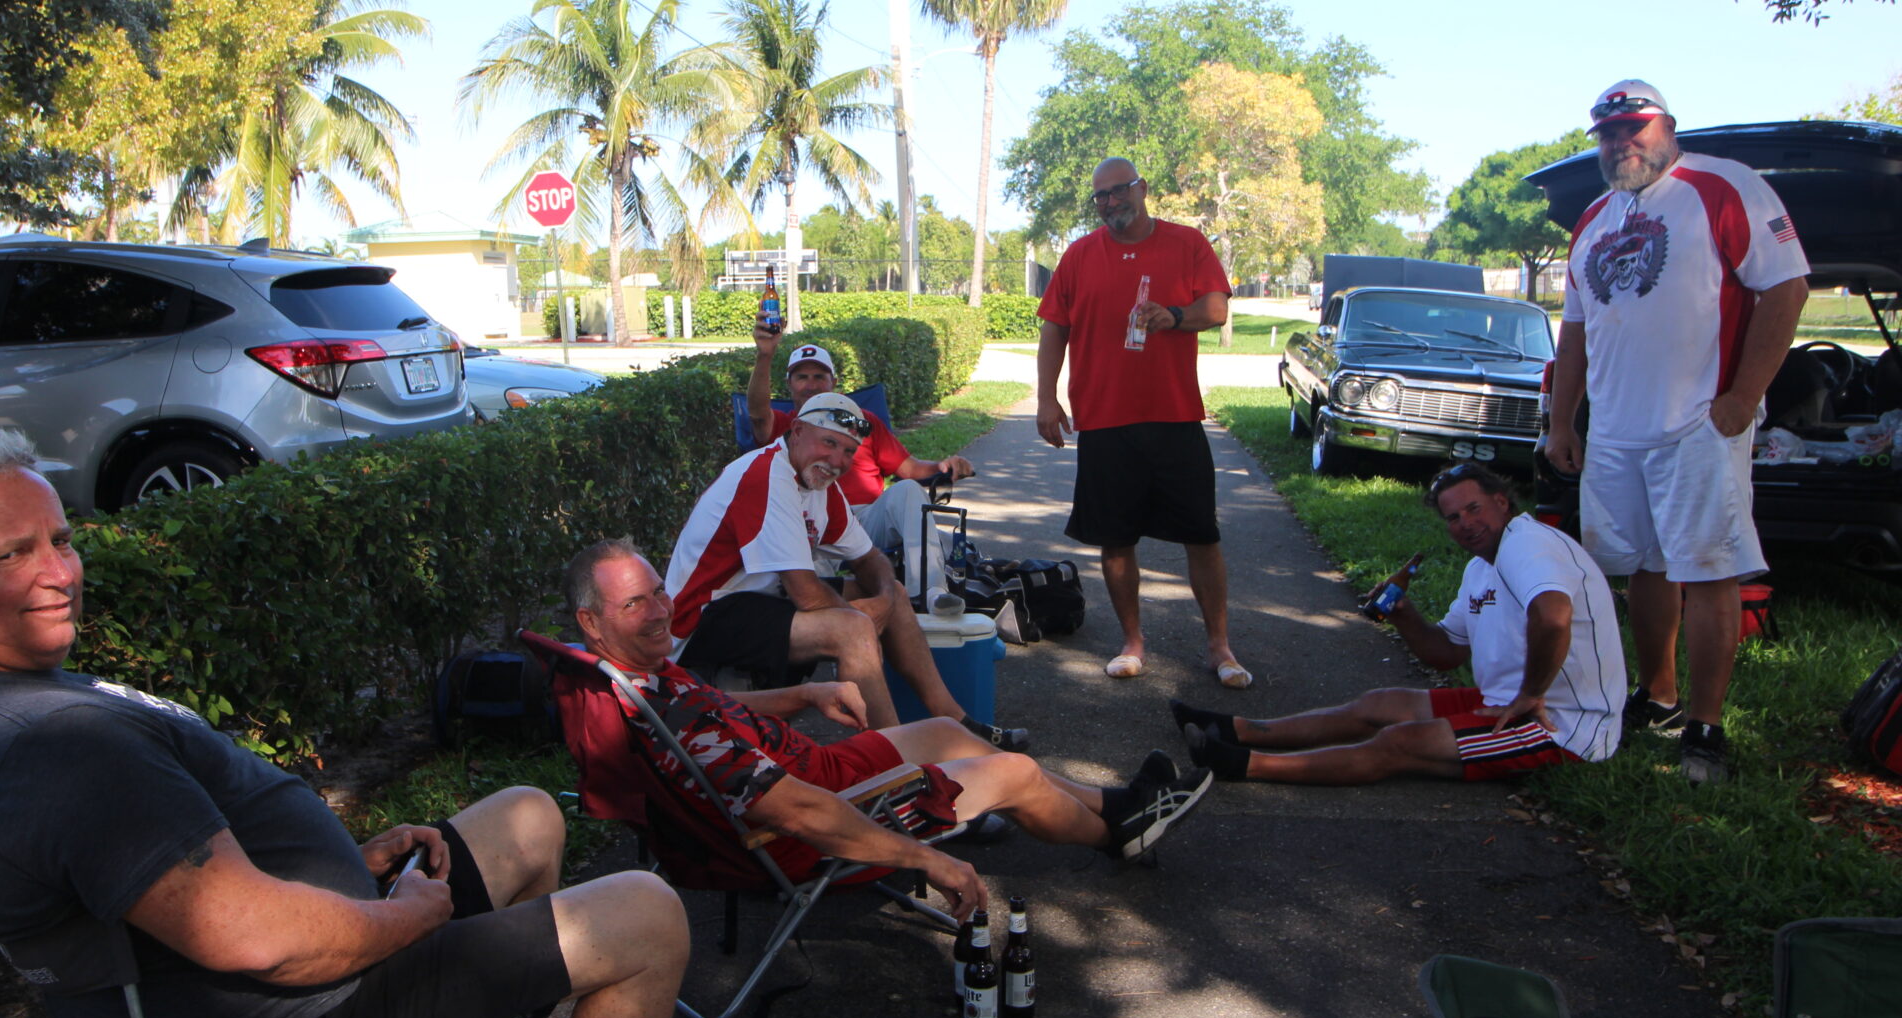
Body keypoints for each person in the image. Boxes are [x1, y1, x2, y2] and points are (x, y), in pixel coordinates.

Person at [0, 425, 684, 1018]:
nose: (59, 571)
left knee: (528, 817)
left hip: (267, 985)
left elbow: (148, 877)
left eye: (60, 539)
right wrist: (411, 913)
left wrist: (340, 861)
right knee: (647, 911)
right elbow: (257, 938)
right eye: (10, 555)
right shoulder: (47, 744)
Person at [572, 540, 1215, 883]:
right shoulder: (666, 713)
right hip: (822, 814)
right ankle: (1119, 836)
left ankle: (1117, 803)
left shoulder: (640, 682)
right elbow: (794, 811)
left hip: (818, 764)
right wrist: (924, 858)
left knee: (942, 730)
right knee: (1013, 773)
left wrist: (802, 694)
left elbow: (716, 708)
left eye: (659, 593)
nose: (660, 612)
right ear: (591, 620)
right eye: (635, 605)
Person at [1545, 80, 1811, 784]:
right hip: (1617, 430)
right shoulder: (1595, 217)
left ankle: (1705, 724)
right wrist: (1562, 420)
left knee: (1709, 566)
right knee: (1644, 564)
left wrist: (1744, 396)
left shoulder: (1724, 186)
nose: (1620, 141)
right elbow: (1575, 330)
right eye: (1607, 132)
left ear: (1667, 126)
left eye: (1635, 127)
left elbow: (1786, 288)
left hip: (1699, 422)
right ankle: (1658, 696)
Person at [1173, 463, 1626, 786]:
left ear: (1502, 502)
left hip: (1565, 725)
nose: (1466, 524)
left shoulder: (1528, 544)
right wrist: (1402, 612)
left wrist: (1531, 694)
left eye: (1474, 509)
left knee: (1397, 743)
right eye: (1453, 517)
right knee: (1379, 703)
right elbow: (1444, 654)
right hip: (1503, 700)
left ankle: (1241, 763)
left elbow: (1552, 616)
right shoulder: (1481, 568)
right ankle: (1239, 728)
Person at [666, 390, 1028, 751]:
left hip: (757, 601)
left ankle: (954, 721)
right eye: (828, 442)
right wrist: (866, 619)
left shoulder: (819, 483)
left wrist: (886, 597)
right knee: (852, 629)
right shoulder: (765, 477)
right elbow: (806, 594)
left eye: (848, 451)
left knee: (895, 594)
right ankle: (898, 767)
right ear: (796, 431)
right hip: (701, 619)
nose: (836, 460)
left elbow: (869, 557)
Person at [1036, 156, 1252, 688]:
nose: (1110, 202)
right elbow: (1054, 329)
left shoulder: (1187, 243)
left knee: (1201, 536)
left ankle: (1220, 647)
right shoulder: (1080, 254)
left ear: (1142, 189)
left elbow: (1217, 310)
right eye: (1101, 196)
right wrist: (1047, 399)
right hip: (1104, 419)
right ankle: (1132, 643)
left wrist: (1174, 316)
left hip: (1175, 415)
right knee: (1116, 539)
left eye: (1118, 191)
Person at [746, 324, 973, 603]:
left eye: (819, 376)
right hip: (813, 524)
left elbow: (909, 469)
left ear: (835, 382)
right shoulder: (788, 426)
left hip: (866, 520)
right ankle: (829, 622)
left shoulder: (862, 421)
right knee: (804, 553)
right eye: (801, 377)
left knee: (909, 491)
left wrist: (942, 467)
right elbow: (757, 414)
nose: (811, 384)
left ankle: (929, 593)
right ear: (789, 386)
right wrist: (764, 355)